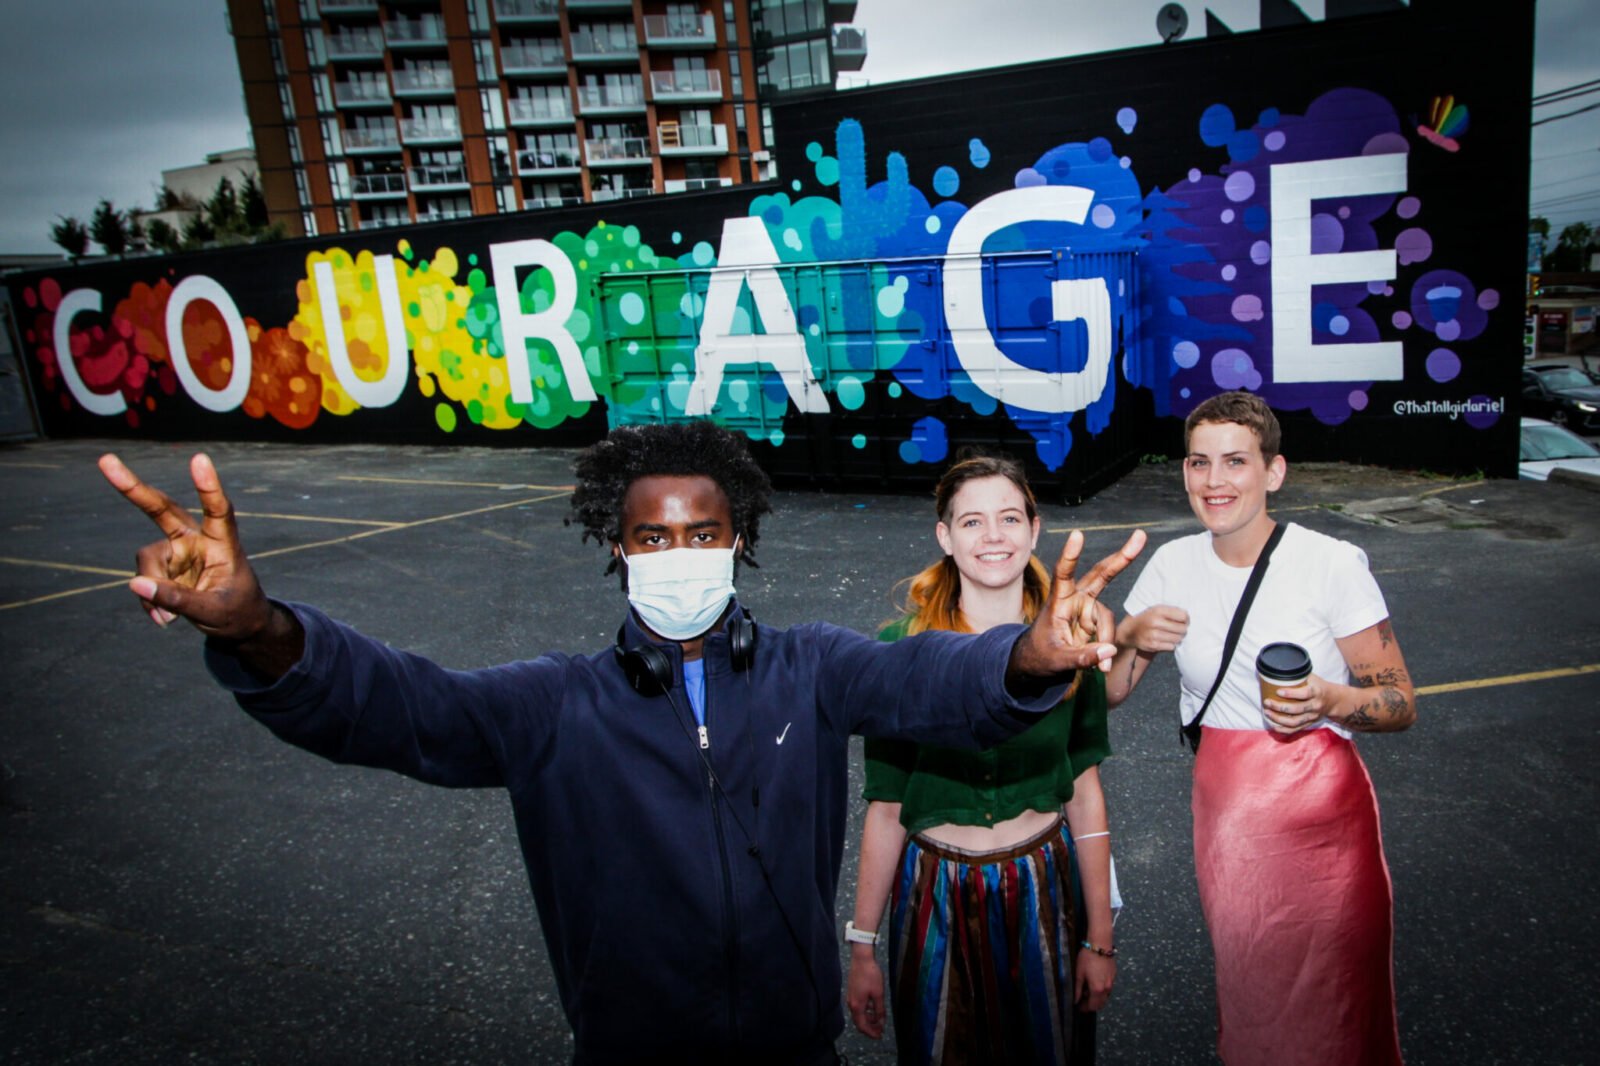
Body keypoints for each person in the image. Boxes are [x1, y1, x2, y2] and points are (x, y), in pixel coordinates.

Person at [97, 420, 1146, 1066]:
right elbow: (395, 708)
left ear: (738, 540)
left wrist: (1023, 657)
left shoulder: (812, 668)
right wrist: (258, 629)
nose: (679, 555)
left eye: (702, 533)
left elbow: (927, 676)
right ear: (617, 546)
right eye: (653, 536)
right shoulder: (551, 706)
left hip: (794, 1049)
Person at [1107, 391, 1415, 1066]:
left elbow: (1398, 702)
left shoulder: (1330, 562)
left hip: (1324, 824)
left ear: (1273, 472)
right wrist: (1127, 636)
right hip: (1228, 827)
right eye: (1199, 462)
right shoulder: (1171, 566)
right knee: (1251, 993)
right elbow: (1112, 692)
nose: (1214, 481)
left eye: (1235, 462)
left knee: (1337, 999)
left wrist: (1331, 698)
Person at [846, 453, 1118, 1066]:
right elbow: (886, 805)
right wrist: (862, 945)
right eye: (971, 522)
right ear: (944, 536)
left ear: (1034, 528)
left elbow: (1085, 788)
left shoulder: (1076, 637)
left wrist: (1099, 938)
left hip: (1043, 887)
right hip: (933, 896)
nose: (993, 536)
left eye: (1009, 518)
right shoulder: (899, 648)